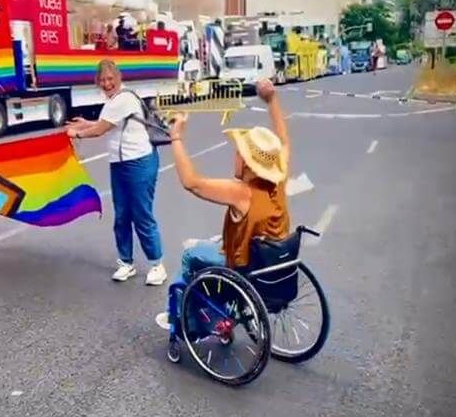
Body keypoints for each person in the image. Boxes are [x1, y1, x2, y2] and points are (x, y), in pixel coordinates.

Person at [155, 79, 291, 327]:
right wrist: (272, 100)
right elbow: (283, 141)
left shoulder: (242, 192)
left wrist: (176, 139)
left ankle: (181, 318)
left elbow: (191, 182)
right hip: (271, 258)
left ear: (248, 162)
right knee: (216, 242)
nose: (235, 154)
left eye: (239, 151)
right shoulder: (278, 175)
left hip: (245, 264)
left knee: (190, 255)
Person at [65, 59, 167, 285]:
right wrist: (85, 123)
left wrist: (77, 133)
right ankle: (126, 262)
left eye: (110, 79)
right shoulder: (113, 102)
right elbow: (107, 122)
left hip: (139, 163)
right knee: (122, 215)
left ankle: (157, 264)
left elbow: (101, 129)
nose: (106, 83)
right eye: (102, 80)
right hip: (120, 165)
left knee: (142, 215)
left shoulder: (123, 99)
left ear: (119, 78)